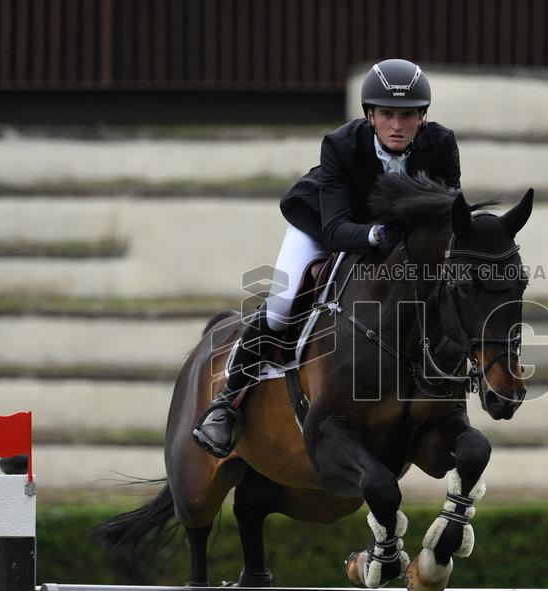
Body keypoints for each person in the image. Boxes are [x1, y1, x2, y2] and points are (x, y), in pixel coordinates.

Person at [193, 58, 462, 458]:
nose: (397, 126)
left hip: (396, 242)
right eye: (387, 114)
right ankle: (226, 403)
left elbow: (450, 215)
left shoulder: (440, 145)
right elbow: (337, 228)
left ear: (422, 117)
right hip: (323, 227)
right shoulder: (340, 144)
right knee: (281, 308)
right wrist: (377, 234)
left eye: (407, 116)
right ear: (370, 115)